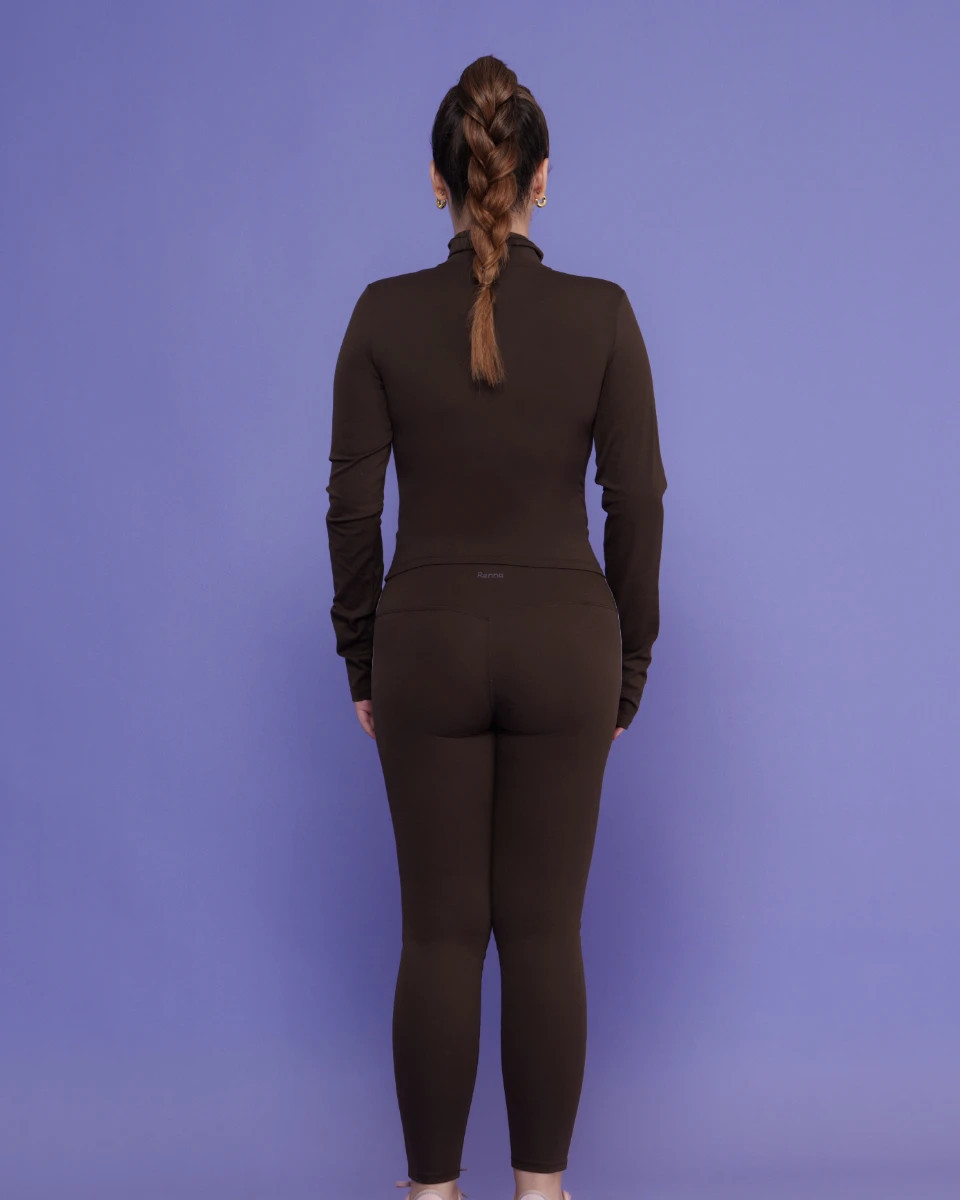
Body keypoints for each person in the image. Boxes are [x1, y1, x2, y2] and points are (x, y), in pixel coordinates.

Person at [326, 52, 667, 1200]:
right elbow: (638, 501)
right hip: (566, 639)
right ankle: (542, 1195)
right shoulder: (603, 316)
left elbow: (352, 509)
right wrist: (628, 666)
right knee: (544, 934)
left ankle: (430, 1196)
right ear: (543, 180)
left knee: (437, 936)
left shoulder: (381, 316)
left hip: (425, 639)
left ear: (440, 182)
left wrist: (365, 656)